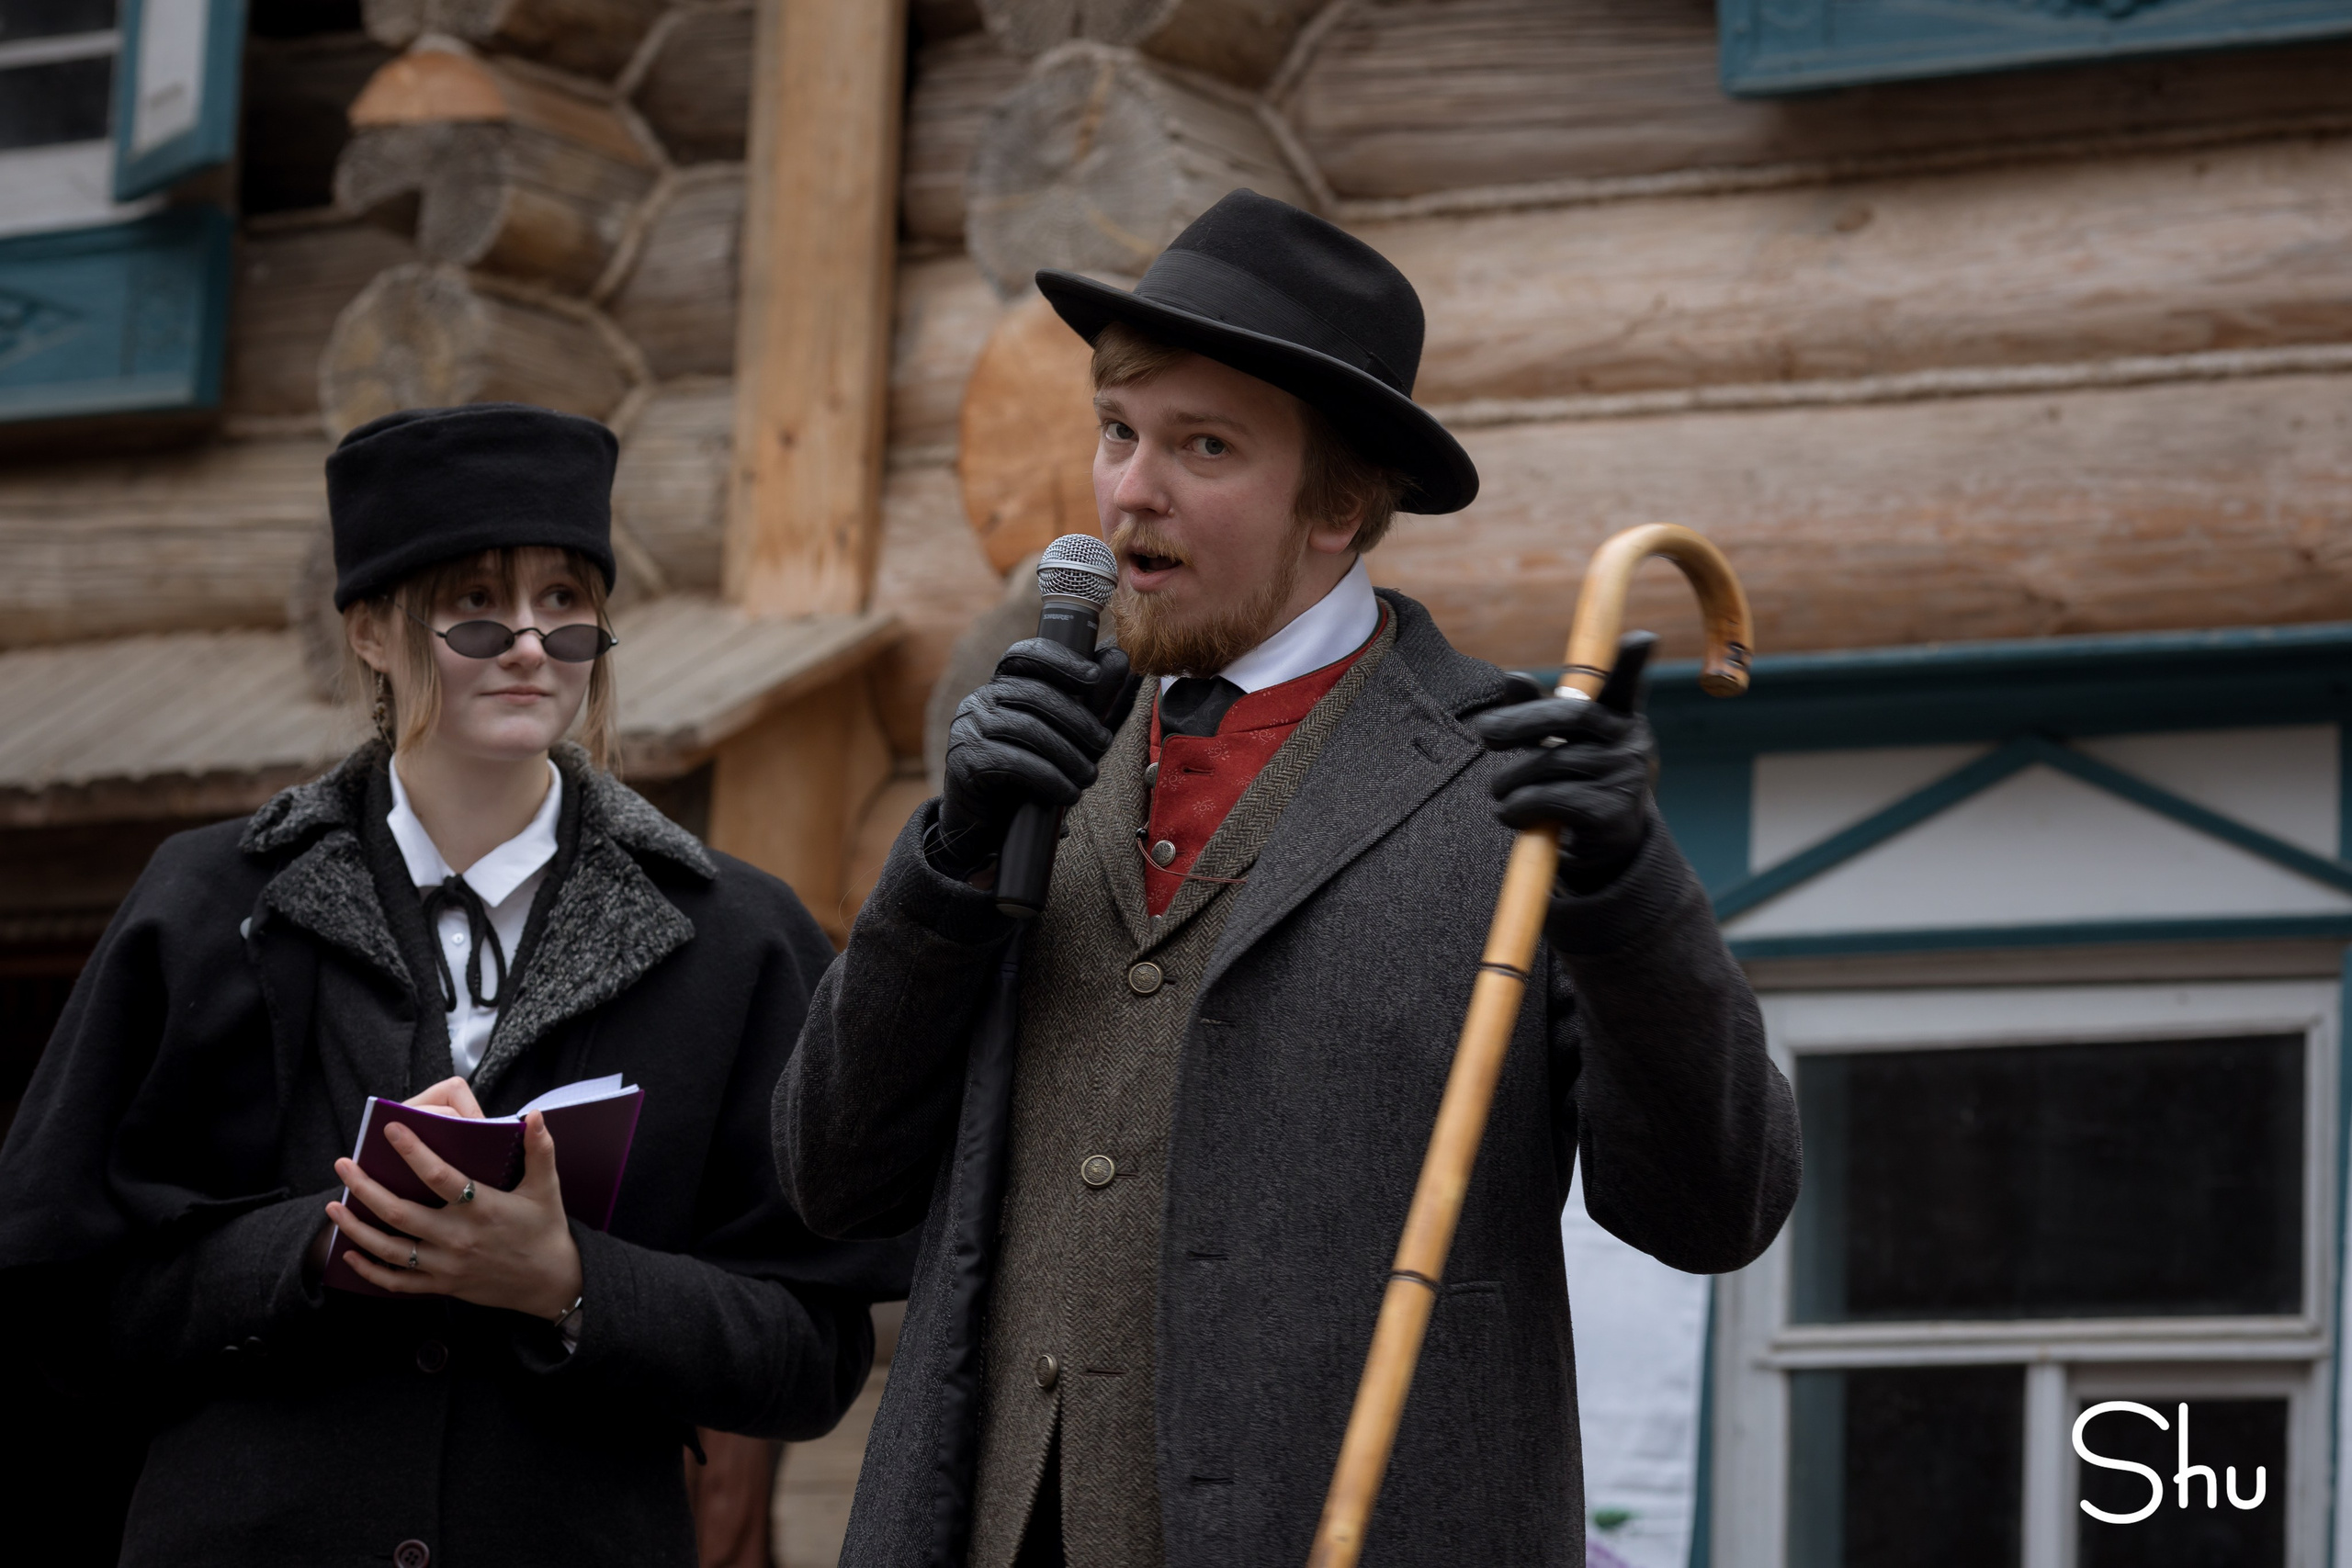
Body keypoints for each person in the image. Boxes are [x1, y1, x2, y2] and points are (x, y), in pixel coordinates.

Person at [775, 190, 1802, 1568]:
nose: (1132, 489)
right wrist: (945, 865)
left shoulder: (1510, 782)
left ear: (1341, 507)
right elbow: (829, 1179)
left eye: (1204, 446)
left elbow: (1714, 1211)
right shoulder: (1038, 756)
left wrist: (1627, 893)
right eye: (1119, 431)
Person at [0, 403, 908, 1568]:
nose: (528, 641)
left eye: (564, 601)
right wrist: (317, 1247)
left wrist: (570, 1281)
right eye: (475, 603)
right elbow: (63, 1297)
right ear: (372, 629)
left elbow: (811, 1353)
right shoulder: (206, 904)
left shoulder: (739, 939)